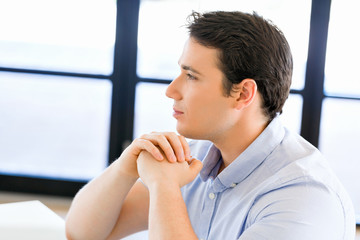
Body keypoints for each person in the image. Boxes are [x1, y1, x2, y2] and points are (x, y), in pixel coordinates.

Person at [65, 11, 355, 240]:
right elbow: (82, 233)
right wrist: (125, 167)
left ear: (243, 94)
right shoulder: (199, 155)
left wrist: (164, 186)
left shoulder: (304, 200)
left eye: (191, 76)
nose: (171, 90)